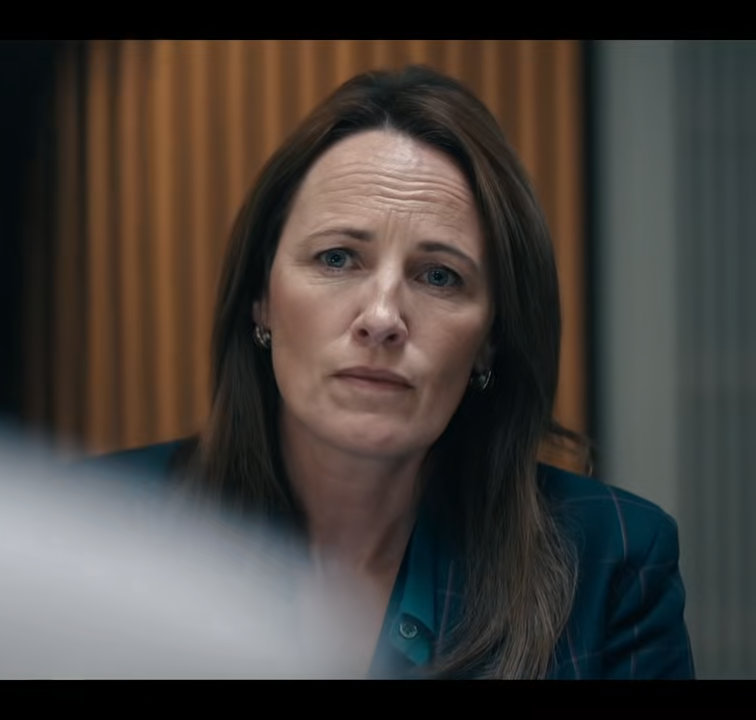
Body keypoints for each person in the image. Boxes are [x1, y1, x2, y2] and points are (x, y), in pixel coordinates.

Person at [92, 65, 694, 679]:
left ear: (490, 341)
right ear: (262, 300)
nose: (381, 318)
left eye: (439, 276)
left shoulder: (614, 564)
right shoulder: (95, 529)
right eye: (337, 258)